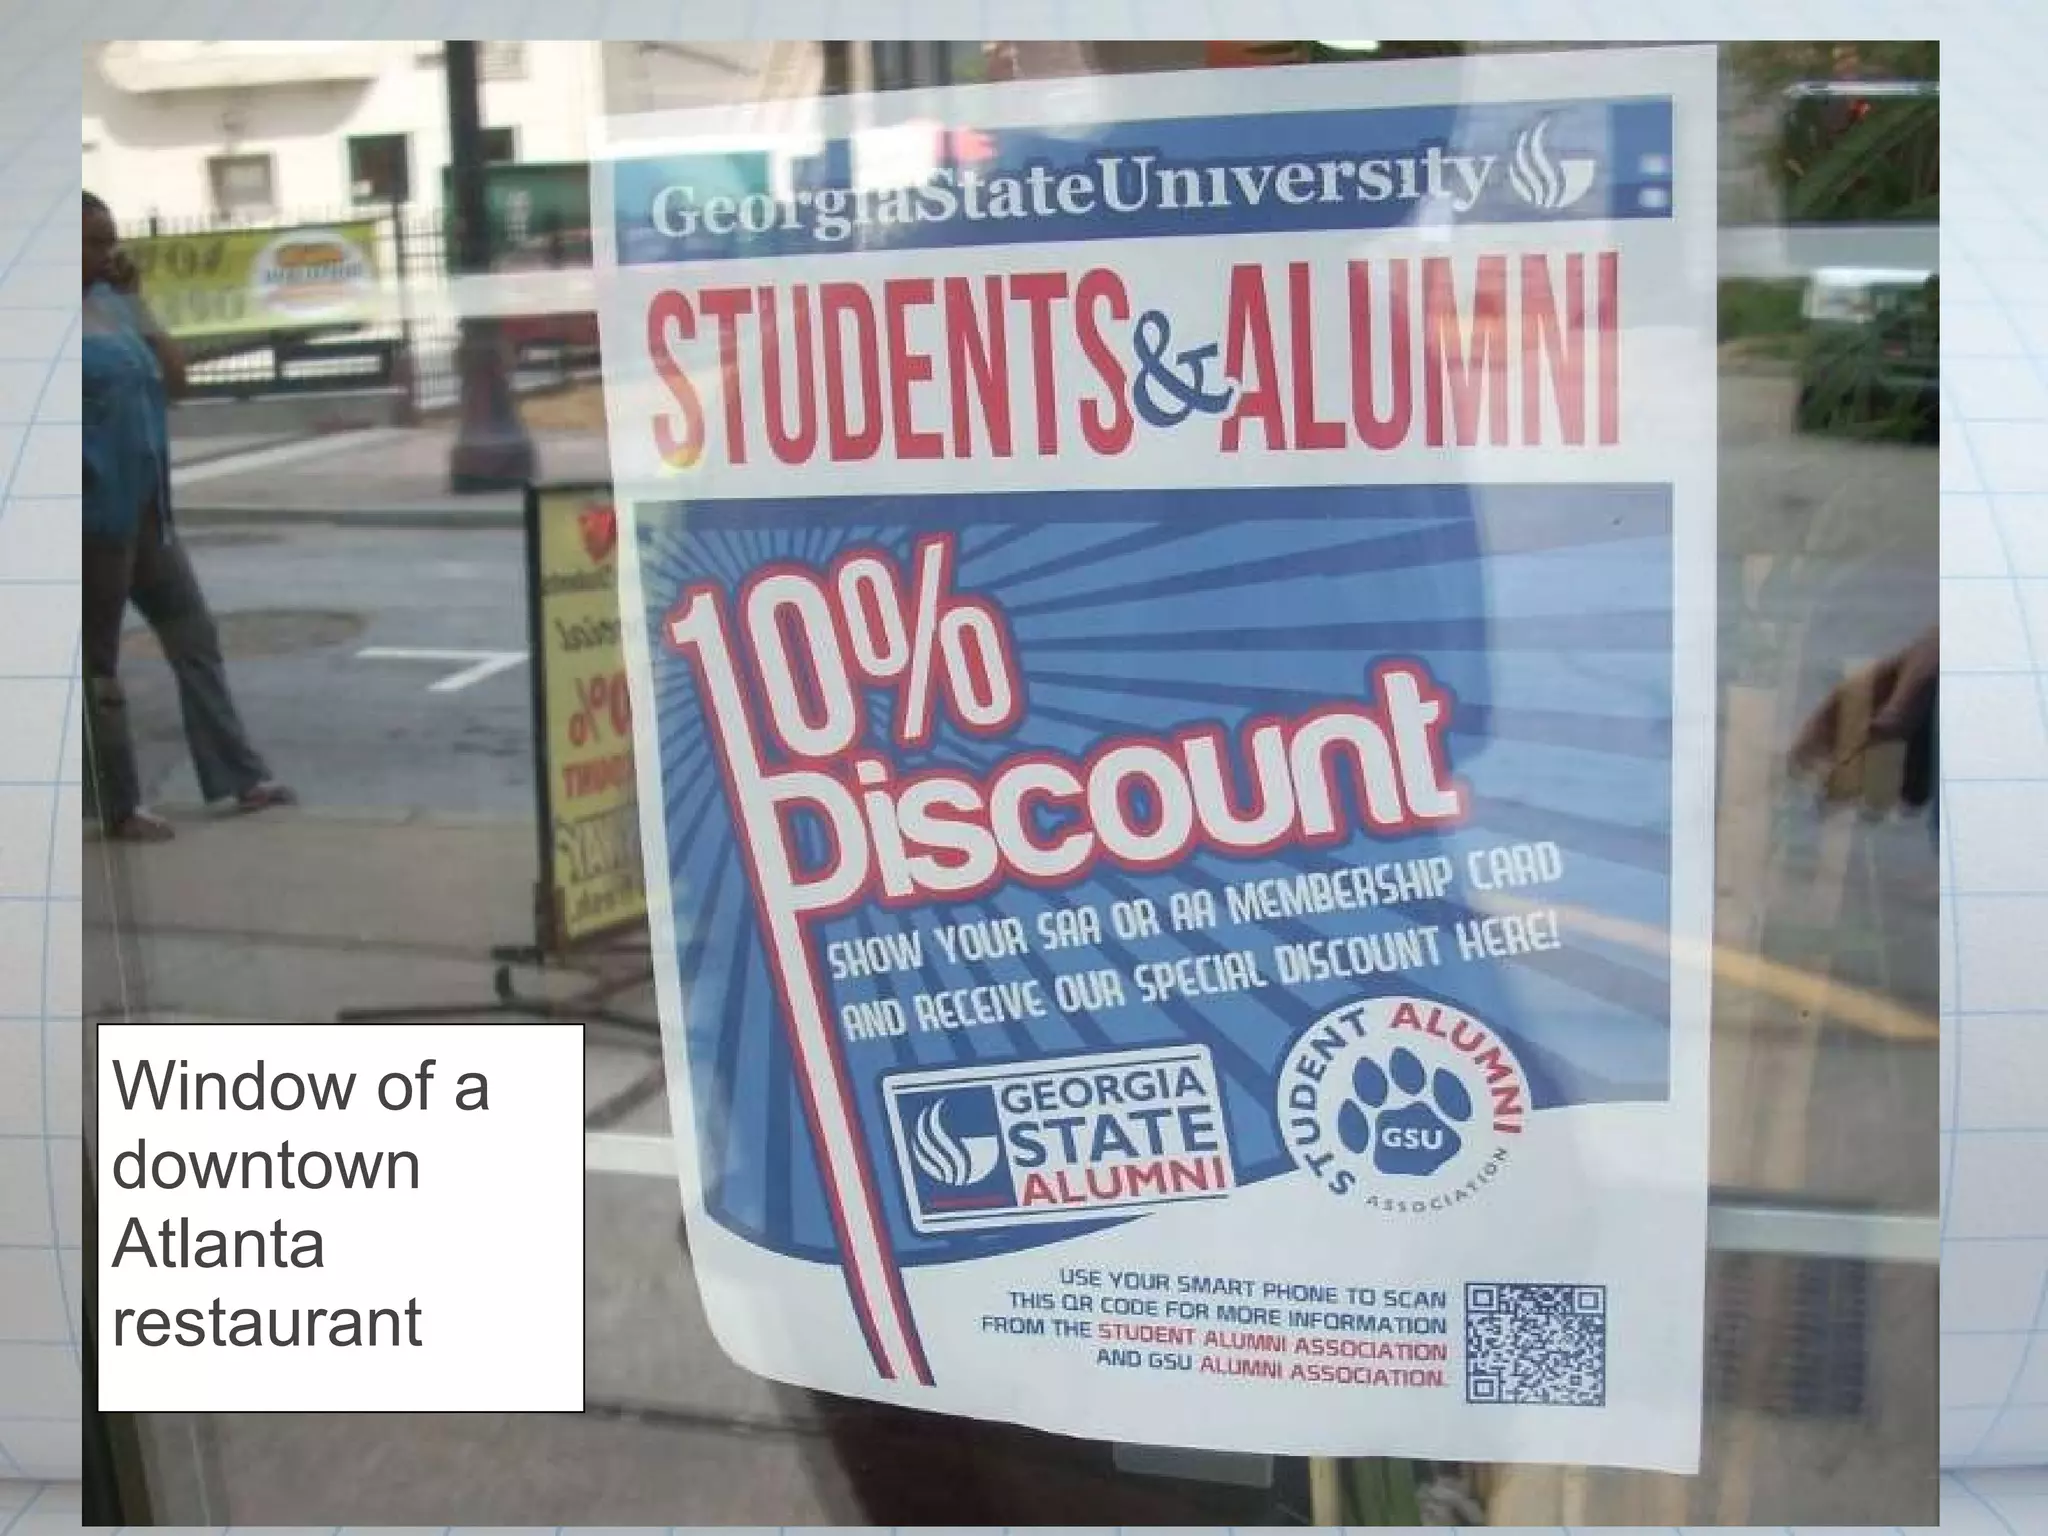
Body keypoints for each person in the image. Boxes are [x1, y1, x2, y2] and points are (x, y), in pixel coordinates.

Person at [82, 192, 293, 841]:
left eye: (112, 237)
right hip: (91, 520)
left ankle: (239, 774)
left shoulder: (115, 306)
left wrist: (141, 305)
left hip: (149, 511)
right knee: (98, 663)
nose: (109, 250)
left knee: (194, 638)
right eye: (95, 240)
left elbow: (175, 380)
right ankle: (118, 805)